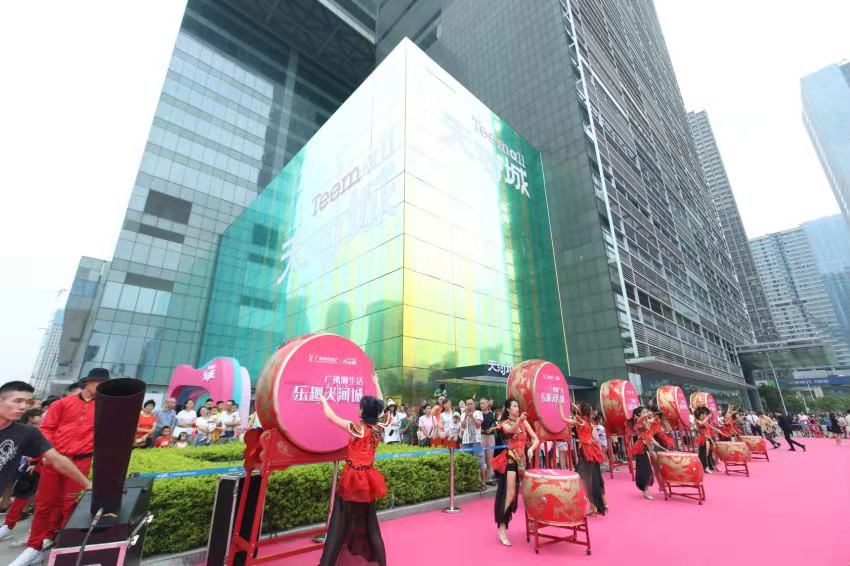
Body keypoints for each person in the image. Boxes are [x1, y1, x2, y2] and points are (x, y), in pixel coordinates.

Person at [8, 371, 104, 566]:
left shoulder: (105, 408)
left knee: (70, 505)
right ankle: (34, 547)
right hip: (54, 460)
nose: (102, 387)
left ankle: (64, 546)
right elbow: (47, 429)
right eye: (99, 382)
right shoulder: (62, 404)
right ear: (88, 382)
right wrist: (46, 454)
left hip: (81, 462)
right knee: (44, 503)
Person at [317, 393, 387, 566]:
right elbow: (381, 405)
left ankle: (329, 562)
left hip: (353, 479)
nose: (359, 408)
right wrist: (375, 382)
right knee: (371, 524)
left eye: (360, 406)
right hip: (369, 479)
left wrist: (323, 401)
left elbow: (331, 417)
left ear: (364, 411)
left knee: (339, 522)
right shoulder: (378, 429)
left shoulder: (357, 429)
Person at [494, 398, 539, 546]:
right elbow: (510, 431)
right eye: (514, 406)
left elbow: (536, 439)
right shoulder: (504, 423)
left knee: (529, 493)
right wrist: (519, 420)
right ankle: (502, 528)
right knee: (510, 494)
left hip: (523, 461)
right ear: (508, 409)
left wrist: (531, 449)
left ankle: (533, 522)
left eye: (517, 406)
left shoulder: (525, 422)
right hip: (511, 459)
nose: (517, 408)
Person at [559, 402, 606, 514]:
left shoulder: (580, 422)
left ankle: (592, 506)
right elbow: (582, 413)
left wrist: (560, 407)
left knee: (586, 479)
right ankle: (598, 504)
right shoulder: (588, 421)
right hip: (592, 450)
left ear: (581, 411)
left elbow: (563, 418)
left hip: (585, 451)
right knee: (594, 477)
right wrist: (576, 407)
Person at [629, 406, 667, 499]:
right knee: (646, 469)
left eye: (646, 411)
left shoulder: (647, 421)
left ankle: (662, 487)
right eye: (644, 412)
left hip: (649, 445)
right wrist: (648, 415)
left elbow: (649, 433)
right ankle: (645, 491)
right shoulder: (638, 421)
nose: (646, 413)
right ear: (639, 414)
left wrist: (655, 441)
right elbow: (643, 419)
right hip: (642, 446)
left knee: (657, 466)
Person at [461, 399, 486, 489]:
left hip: (476, 441)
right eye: (467, 404)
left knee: (480, 461)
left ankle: (483, 482)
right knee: (467, 461)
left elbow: (478, 425)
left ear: (474, 404)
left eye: (471, 404)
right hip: (466, 441)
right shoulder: (463, 414)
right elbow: (463, 426)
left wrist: (472, 416)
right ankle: (470, 483)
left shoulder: (478, 413)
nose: (469, 406)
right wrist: (466, 416)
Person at [694, 406, 719, 473]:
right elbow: (702, 423)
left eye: (704, 414)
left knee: (709, 453)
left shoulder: (705, 421)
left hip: (709, 438)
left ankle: (710, 466)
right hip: (703, 438)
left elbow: (710, 427)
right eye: (703, 414)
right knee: (704, 453)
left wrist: (716, 429)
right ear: (699, 415)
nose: (704, 416)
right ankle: (705, 467)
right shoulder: (697, 421)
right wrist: (707, 417)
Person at [480, 398, 497, 485]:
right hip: (481, 436)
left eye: (484, 403)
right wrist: (482, 430)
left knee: (490, 458)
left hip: (490, 437)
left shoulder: (492, 414)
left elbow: (497, 425)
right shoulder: (478, 414)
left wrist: (492, 429)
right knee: (482, 457)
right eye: (481, 403)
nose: (482, 405)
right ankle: (481, 479)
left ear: (487, 404)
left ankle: (489, 478)